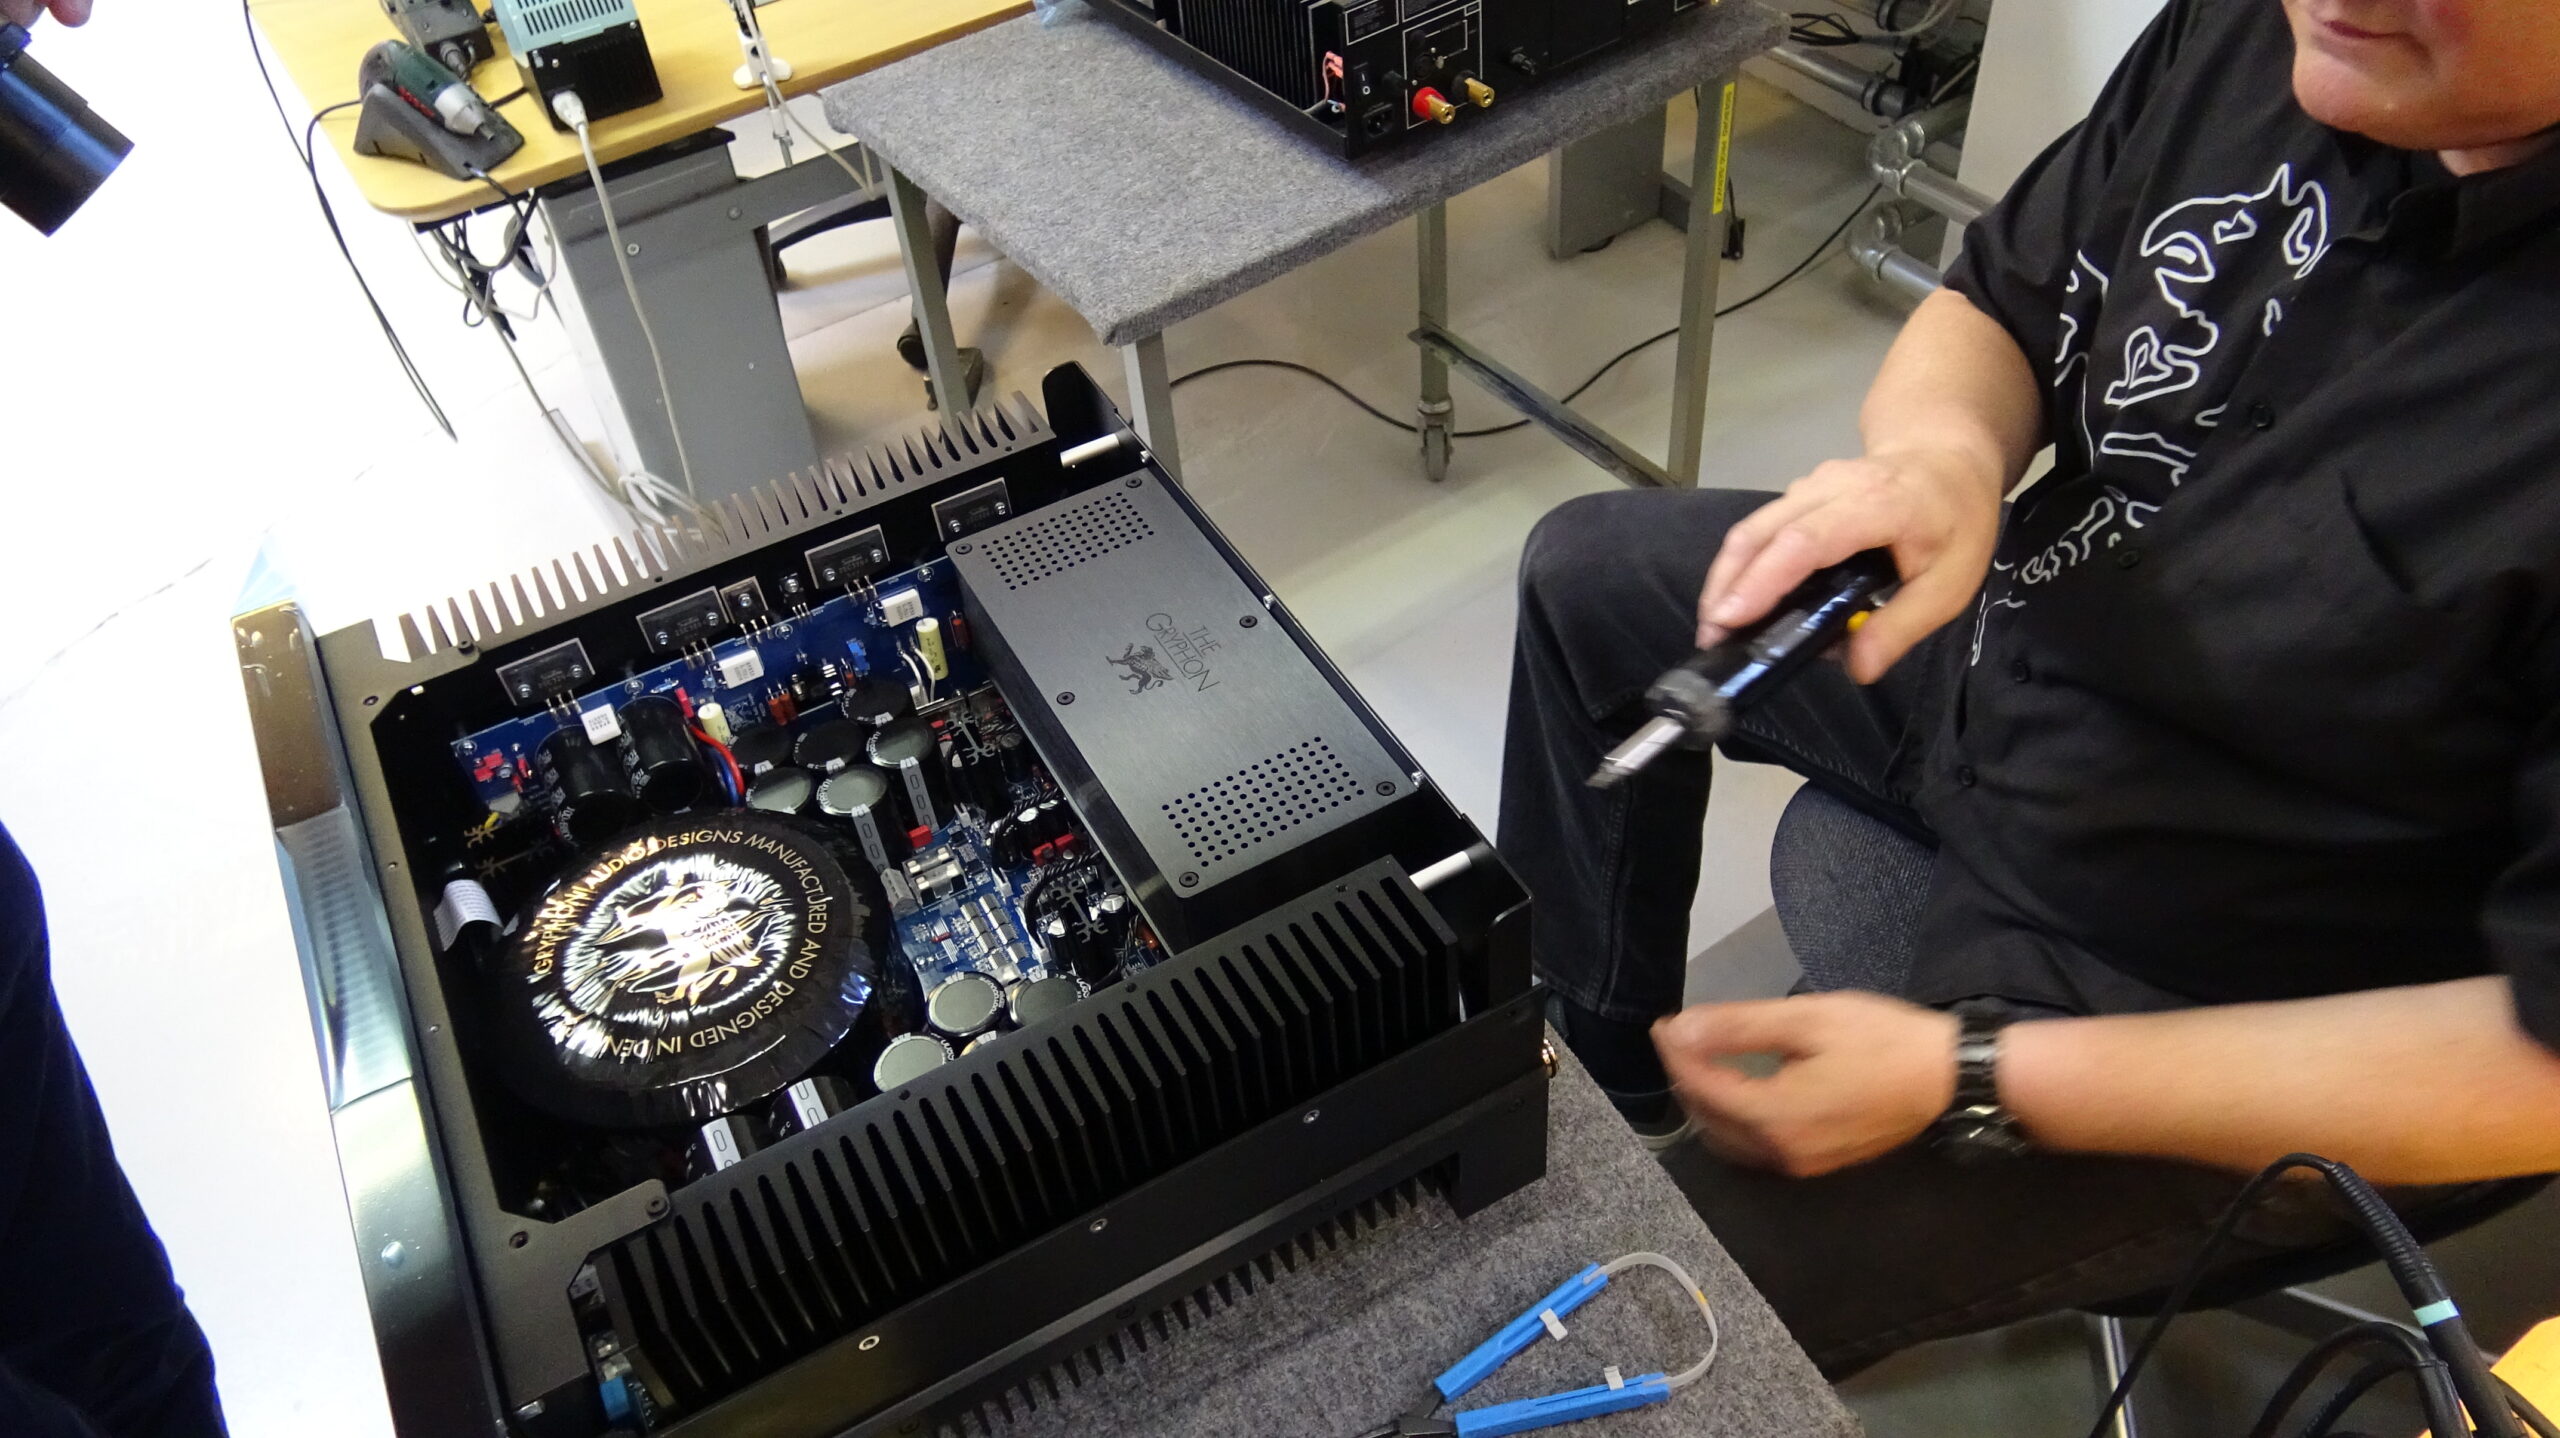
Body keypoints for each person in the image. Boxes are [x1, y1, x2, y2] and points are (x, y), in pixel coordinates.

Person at [1501, 0, 2560, 1377]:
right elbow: (2000, 300)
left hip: (2224, 979)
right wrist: (1939, 459)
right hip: (2036, 652)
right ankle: (1606, 1074)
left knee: (1640, 1305)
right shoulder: (2282, 37)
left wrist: (1974, 1075)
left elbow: (2540, 1070)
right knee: (1590, 580)